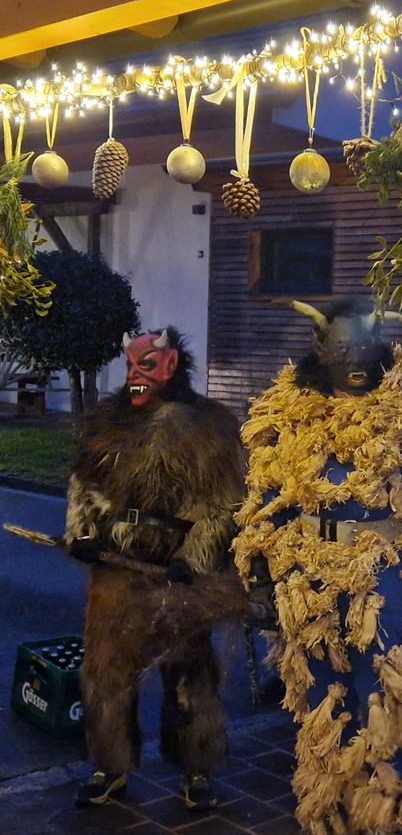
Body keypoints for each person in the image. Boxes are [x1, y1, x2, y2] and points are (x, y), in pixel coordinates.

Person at [233, 298, 402, 834]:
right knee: (325, 698)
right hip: (309, 581)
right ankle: (334, 815)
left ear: (384, 348)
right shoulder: (287, 412)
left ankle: (394, 817)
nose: (356, 356)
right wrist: (258, 580)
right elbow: (263, 501)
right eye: (343, 345)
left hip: (385, 574)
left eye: (365, 345)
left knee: (390, 693)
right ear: (320, 348)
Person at [65, 327, 246, 811]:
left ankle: (197, 769)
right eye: (130, 366)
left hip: (178, 576)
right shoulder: (107, 422)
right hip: (116, 573)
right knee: (105, 671)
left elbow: (223, 504)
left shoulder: (209, 427)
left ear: (171, 367)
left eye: (146, 365)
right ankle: (110, 764)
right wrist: (82, 533)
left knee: (190, 672)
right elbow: (83, 484)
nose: (134, 376)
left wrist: (195, 557)